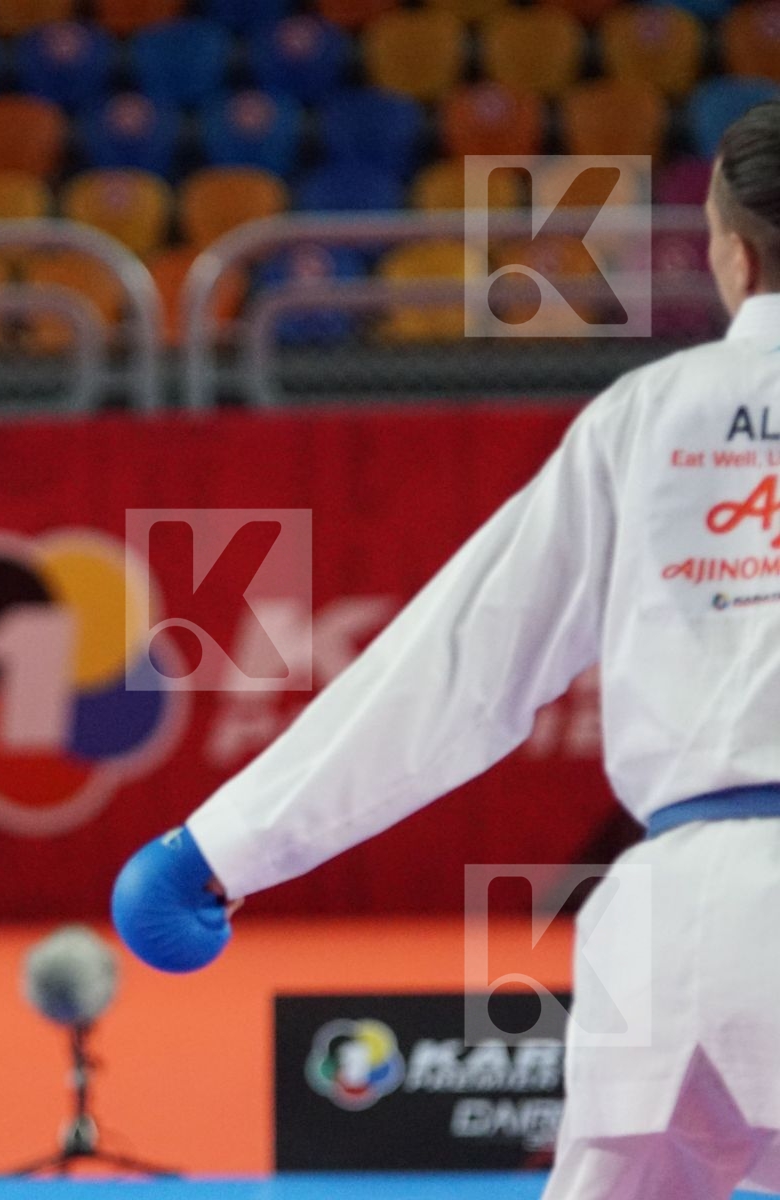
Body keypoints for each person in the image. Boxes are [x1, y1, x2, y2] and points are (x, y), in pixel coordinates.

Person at [113, 103, 780, 1199]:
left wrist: (220, 850)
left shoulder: (648, 415)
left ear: (730, 251)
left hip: (682, 935)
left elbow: (457, 670)